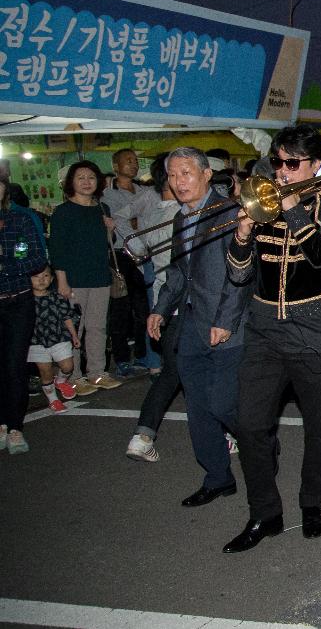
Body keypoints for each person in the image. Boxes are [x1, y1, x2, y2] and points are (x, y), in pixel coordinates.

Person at [222, 125, 321, 552]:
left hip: (314, 327)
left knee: (318, 425)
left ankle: (312, 503)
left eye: (291, 164)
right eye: (277, 162)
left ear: (315, 165)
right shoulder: (262, 203)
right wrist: (241, 237)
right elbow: (240, 274)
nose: (281, 171)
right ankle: (265, 513)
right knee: (250, 423)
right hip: (264, 329)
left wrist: (294, 209)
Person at [129, 148, 251, 504]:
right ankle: (217, 477)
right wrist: (161, 308)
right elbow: (179, 272)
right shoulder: (183, 218)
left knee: (224, 403)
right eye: (172, 174)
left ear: (206, 174)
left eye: (186, 172)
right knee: (197, 405)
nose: (179, 181)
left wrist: (225, 321)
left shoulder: (232, 213)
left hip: (228, 326)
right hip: (192, 325)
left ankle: (261, 444)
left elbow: (241, 273)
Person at [125, 156, 184, 462]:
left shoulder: (151, 214)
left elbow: (133, 242)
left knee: (171, 374)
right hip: (186, 304)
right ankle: (229, 436)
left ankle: (142, 435)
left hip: (163, 302)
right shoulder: (185, 215)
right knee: (211, 374)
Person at [48, 161, 121, 394]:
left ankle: (97, 373)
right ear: (71, 182)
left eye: (91, 177)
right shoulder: (62, 212)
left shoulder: (103, 208)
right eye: (81, 177)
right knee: (75, 330)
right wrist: (61, 279)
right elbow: (57, 249)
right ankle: (74, 376)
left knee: (98, 327)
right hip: (74, 279)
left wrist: (110, 229)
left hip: (99, 275)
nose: (87, 181)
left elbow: (108, 245)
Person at [2, 178, 51, 454]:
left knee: (14, 364)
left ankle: (15, 426)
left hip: (17, 301)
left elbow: (35, 259)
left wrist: (6, 266)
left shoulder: (17, 221)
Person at [102, 148, 159, 377]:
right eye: (127, 161)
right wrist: (135, 220)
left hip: (146, 253)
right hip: (122, 254)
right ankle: (122, 358)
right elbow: (118, 222)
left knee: (143, 307)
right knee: (121, 308)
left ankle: (144, 354)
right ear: (116, 166)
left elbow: (148, 218)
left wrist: (136, 220)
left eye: (135, 161)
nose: (133, 165)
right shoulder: (108, 194)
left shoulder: (145, 190)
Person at [27, 265, 81, 414]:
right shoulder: (26, 301)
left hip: (59, 337)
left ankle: (61, 381)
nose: (41, 280)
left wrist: (74, 335)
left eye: (45, 276)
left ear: (51, 279)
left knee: (68, 366)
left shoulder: (56, 297)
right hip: (36, 341)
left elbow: (67, 317)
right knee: (45, 371)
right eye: (36, 277)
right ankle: (53, 400)